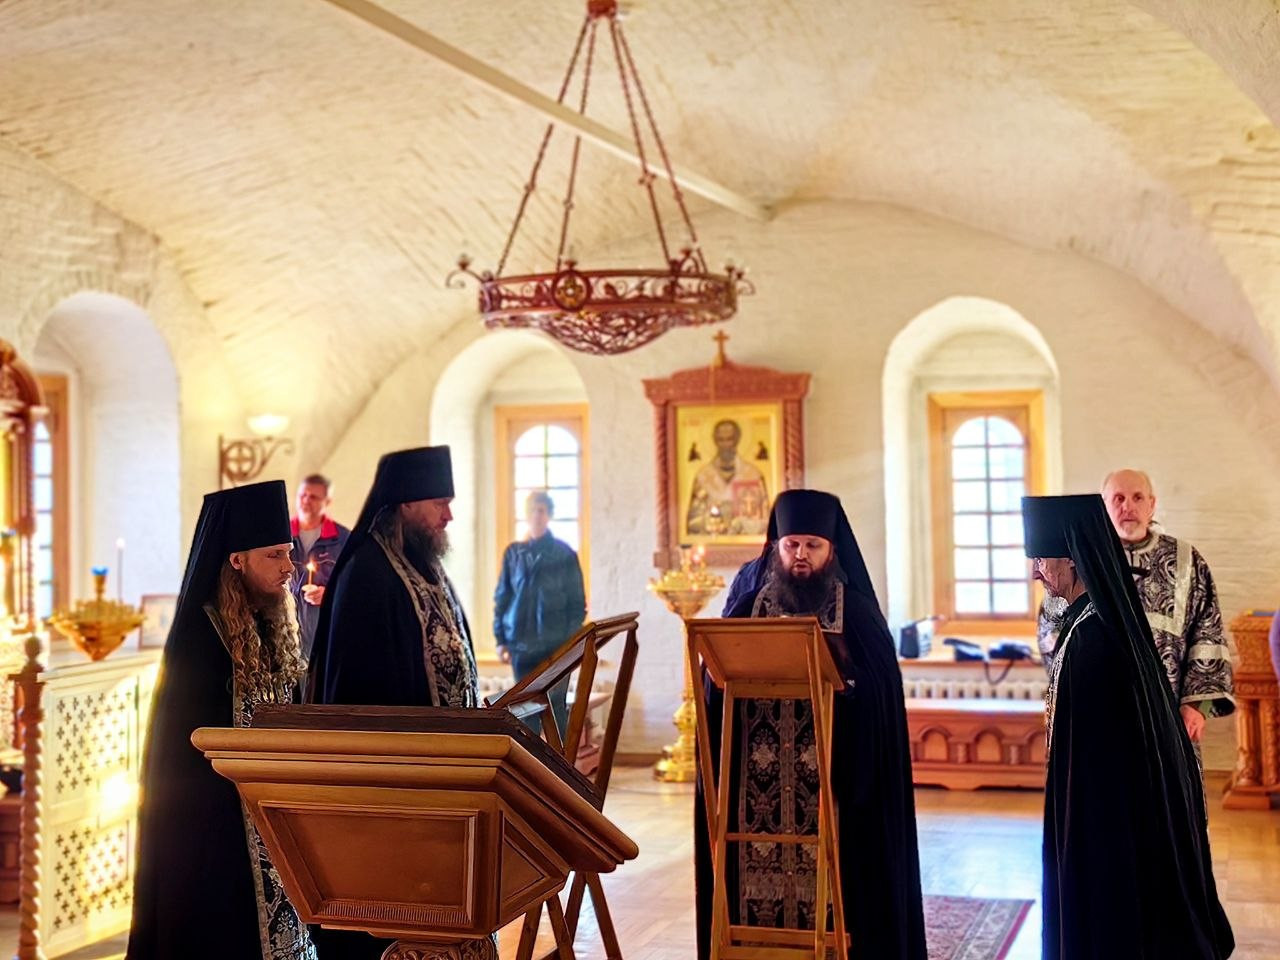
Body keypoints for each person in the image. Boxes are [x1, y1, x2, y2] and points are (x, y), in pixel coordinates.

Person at [695, 489, 926, 960]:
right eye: (792, 545)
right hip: (753, 783)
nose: (801, 555)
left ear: (831, 550)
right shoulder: (747, 604)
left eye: (812, 546)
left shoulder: (855, 611)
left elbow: (881, 692)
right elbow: (715, 676)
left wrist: (851, 686)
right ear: (776, 547)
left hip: (833, 780)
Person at [1023, 494, 1234, 960]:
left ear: (1072, 557)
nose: (1036, 572)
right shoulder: (1088, 619)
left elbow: (1098, 764)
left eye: (1041, 559)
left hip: (1107, 819)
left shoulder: (1093, 638)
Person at [127, 480, 315, 960]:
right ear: (237, 560)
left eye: (288, 553)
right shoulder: (202, 637)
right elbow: (184, 756)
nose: (288, 567)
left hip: (275, 818)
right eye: (274, 555)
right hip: (218, 828)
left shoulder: (271, 623)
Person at [1038, 469, 1234, 745]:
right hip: (1097, 710)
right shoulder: (1079, 561)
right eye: (1118, 498)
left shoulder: (1186, 560)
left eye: (1137, 497)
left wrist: (1196, 706)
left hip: (1169, 711)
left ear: (1151, 504)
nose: (1127, 506)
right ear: (1103, 505)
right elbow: (1052, 631)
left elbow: (1207, 630)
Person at [308, 445, 478, 708]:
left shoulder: (426, 562)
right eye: (440, 504)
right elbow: (357, 684)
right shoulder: (367, 572)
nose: (448, 516)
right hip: (400, 732)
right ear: (407, 503)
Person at [493, 490, 586, 735]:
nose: (536, 515)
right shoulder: (513, 553)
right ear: (526, 515)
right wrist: (500, 639)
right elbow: (502, 597)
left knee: (556, 708)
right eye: (532, 510)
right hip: (521, 646)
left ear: (549, 515)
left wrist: (568, 642)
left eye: (541, 510)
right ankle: (529, 760)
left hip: (556, 647)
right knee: (525, 710)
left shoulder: (565, 554)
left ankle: (561, 759)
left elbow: (577, 604)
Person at [290, 473, 350, 661]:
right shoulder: (281, 535)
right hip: (286, 632)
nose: (306, 501)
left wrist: (330, 595)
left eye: (313, 497)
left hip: (326, 634)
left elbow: (354, 586)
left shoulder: (343, 539)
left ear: (327, 501)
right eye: (302, 495)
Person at [686, 418, 770, 536]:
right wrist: (709, 522)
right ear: (715, 441)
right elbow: (692, 523)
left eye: (729, 439)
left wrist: (743, 523)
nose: (725, 445)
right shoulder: (703, 476)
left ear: (737, 440)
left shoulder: (753, 474)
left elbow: (766, 519)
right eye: (721, 440)